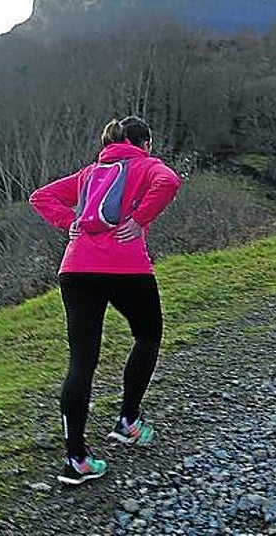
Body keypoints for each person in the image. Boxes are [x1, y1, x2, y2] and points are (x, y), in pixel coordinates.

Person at [29, 115, 182, 486]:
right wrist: (141, 217)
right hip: (127, 267)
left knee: (81, 360)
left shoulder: (89, 174)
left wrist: (70, 222)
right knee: (147, 335)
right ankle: (128, 421)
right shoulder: (147, 165)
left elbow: (40, 196)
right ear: (144, 142)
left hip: (77, 268)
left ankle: (76, 458)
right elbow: (170, 181)